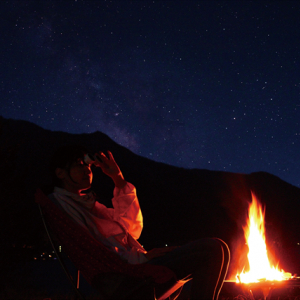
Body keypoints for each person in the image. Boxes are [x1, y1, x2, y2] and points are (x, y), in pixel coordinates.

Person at [48, 145, 230, 300]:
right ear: (60, 173)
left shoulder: (85, 204)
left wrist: (117, 179)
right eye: (78, 165)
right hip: (126, 277)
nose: (87, 169)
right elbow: (97, 249)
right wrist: (145, 257)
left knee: (219, 247)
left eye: (87, 165)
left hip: (131, 268)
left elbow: (128, 229)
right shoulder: (62, 205)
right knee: (212, 248)